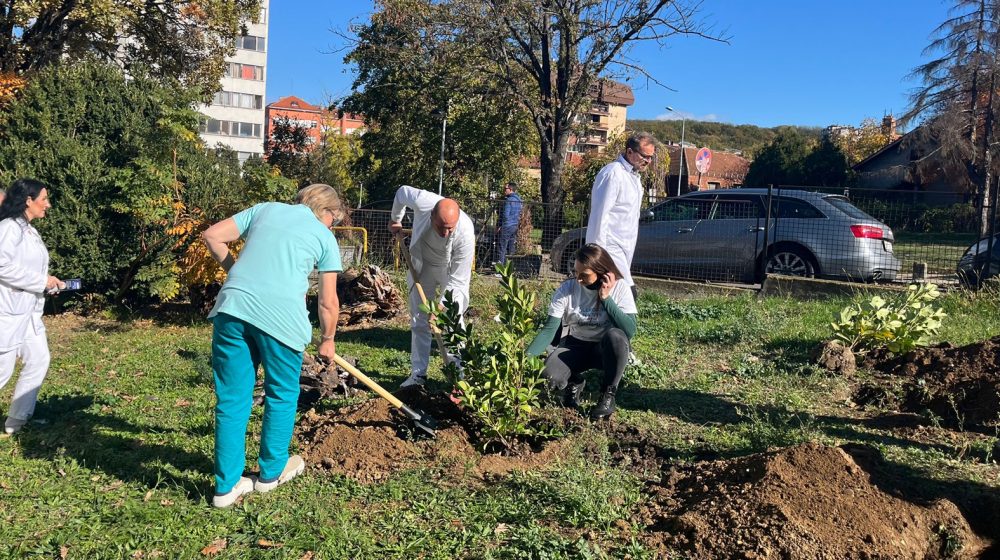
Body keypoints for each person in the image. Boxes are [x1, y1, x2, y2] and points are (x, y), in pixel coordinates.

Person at [202, 184, 344, 508]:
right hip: (281, 320)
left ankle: (225, 488)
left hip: (232, 310)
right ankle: (270, 475)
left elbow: (212, 236)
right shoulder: (324, 237)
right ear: (326, 212)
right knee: (281, 394)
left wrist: (236, 272)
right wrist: (328, 339)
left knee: (232, 398)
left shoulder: (264, 209)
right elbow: (328, 301)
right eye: (334, 219)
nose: (332, 225)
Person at [527, 243, 637, 420]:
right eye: (575, 272)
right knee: (549, 376)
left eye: (584, 275)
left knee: (616, 337)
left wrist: (606, 299)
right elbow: (548, 330)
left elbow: (629, 330)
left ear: (602, 273)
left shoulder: (620, 288)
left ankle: (608, 395)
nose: (578, 279)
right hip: (576, 345)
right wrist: (522, 361)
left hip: (605, 349)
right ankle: (575, 381)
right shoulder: (567, 289)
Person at [389, 185, 475, 388]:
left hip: (449, 270)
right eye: (441, 227)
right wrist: (395, 219)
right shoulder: (423, 201)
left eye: (450, 228)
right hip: (422, 265)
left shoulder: (465, 232)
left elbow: (458, 280)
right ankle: (418, 375)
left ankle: (459, 376)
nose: (445, 233)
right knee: (419, 320)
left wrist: (441, 308)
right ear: (431, 216)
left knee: (453, 320)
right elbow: (401, 193)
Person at [0, 179, 64, 435]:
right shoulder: (9, 228)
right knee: (2, 371)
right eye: (44, 199)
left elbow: (30, 268)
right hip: (7, 313)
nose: (48, 204)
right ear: (28, 200)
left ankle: (17, 421)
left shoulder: (28, 230)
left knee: (38, 359)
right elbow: (1, 265)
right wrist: (40, 281)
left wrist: (48, 283)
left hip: (28, 313)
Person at [585, 133, 656, 300]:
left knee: (609, 299)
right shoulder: (613, 173)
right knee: (628, 295)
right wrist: (597, 254)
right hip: (609, 248)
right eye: (644, 156)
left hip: (624, 248)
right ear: (629, 152)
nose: (648, 161)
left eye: (651, 157)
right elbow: (599, 215)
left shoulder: (634, 177)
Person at [495, 182, 523, 266]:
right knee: (511, 247)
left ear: (510, 189)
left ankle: (500, 268)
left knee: (502, 247)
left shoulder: (508, 200)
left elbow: (505, 215)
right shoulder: (519, 200)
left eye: (505, 189)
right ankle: (510, 267)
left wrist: (500, 225)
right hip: (514, 226)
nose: (504, 191)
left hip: (507, 226)